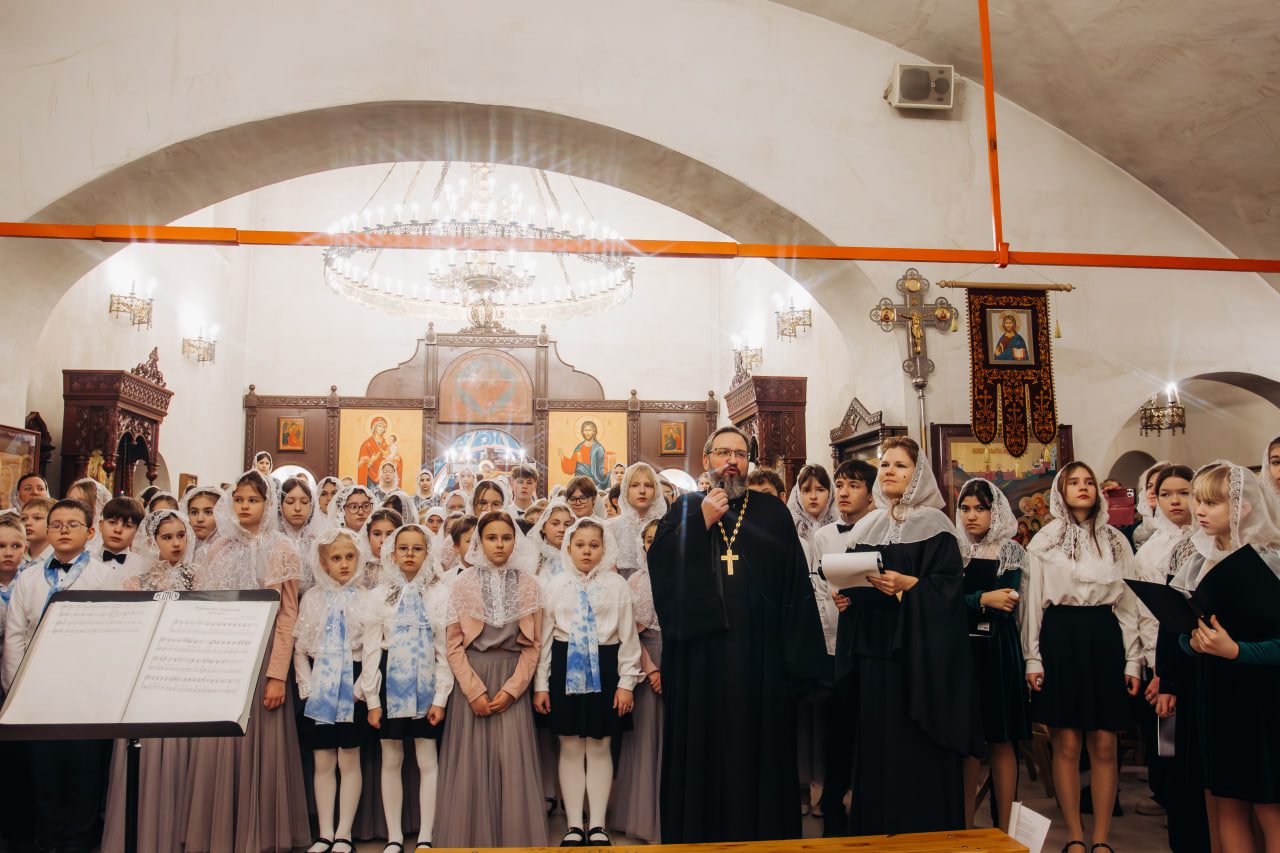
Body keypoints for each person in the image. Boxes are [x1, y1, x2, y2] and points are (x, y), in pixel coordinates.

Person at [648, 426, 828, 843]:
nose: (732, 460)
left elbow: (794, 584)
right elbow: (662, 570)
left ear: (749, 462)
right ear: (706, 459)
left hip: (761, 657)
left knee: (760, 748)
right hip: (702, 659)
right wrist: (701, 521)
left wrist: (797, 659)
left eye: (740, 454)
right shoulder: (685, 508)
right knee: (705, 748)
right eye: (723, 452)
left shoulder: (771, 512)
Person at [832, 437, 982, 836]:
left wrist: (908, 586)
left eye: (900, 465)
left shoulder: (937, 527)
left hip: (919, 658)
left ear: (918, 475)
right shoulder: (867, 526)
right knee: (878, 747)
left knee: (915, 751)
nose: (890, 472)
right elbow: (855, 580)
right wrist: (845, 599)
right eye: (885, 465)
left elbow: (949, 593)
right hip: (874, 653)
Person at [183, 470, 310, 852]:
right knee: (222, 740)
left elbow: (288, 615)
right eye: (238, 499)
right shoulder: (218, 548)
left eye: (253, 500)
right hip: (226, 651)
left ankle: (263, 832)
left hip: (266, 650)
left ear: (267, 505)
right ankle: (222, 830)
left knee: (263, 741)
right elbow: (205, 606)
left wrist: (277, 674)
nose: (244, 506)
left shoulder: (283, 549)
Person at [1022, 462, 1143, 853]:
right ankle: (1074, 834)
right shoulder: (1044, 541)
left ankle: (1102, 838)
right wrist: (1032, 658)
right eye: (1073, 482)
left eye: (1089, 482)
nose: (1083, 487)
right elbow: (1032, 605)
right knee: (1067, 744)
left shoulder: (1116, 541)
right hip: (1060, 636)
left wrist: (1133, 660)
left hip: (1104, 636)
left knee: (1105, 743)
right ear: (1061, 491)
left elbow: (1129, 605)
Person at [1172, 463, 1280, 853]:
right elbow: (1184, 631)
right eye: (1197, 501)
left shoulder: (1271, 561)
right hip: (1216, 691)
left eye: (1211, 503)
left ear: (1242, 507)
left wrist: (1236, 650)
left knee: (1270, 808)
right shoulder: (1197, 561)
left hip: (1264, 696)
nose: (1199, 510)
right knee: (1227, 803)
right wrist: (1192, 642)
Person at [433, 511, 548, 848]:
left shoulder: (529, 584)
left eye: (506, 538)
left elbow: (533, 646)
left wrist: (513, 690)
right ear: (479, 543)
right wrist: (472, 690)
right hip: (473, 679)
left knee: (512, 761)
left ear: (515, 542)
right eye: (491, 538)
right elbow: (453, 644)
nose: (499, 544)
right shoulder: (462, 584)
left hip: (512, 679)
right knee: (472, 763)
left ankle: (513, 839)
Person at [2, 498, 107, 853]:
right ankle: (48, 843)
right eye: (57, 525)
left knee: (84, 774)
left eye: (72, 525)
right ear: (47, 532)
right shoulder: (29, 578)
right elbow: (16, 636)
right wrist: (18, 689)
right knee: (44, 775)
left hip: (86, 691)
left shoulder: (102, 576)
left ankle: (80, 843)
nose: (63, 530)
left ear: (89, 532)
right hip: (39, 692)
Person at [534, 517, 641, 847]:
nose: (586, 551)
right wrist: (541, 684)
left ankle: (597, 824)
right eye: (580, 545)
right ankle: (572, 824)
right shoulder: (554, 586)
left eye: (594, 545)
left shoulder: (618, 586)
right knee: (569, 746)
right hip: (565, 664)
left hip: (606, 667)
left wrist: (626, 683)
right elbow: (545, 639)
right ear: (568, 548)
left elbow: (628, 639)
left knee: (599, 746)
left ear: (604, 549)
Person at [101, 510, 198, 853]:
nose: (176, 543)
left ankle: (179, 836)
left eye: (181, 536)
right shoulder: (135, 583)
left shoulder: (198, 580)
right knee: (144, 755)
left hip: (185, 677)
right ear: (152, 541)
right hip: (146, 679)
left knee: (183, 758)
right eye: (167, 537)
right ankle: (141, 836)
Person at [360, 523, 453, 853]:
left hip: (425, 679)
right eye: (403, 548)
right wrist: (372, 699)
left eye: (417, 548)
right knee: (391, 758)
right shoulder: (379, 596)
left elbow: (443, 650)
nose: (410, 554)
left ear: (427, 553)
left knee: (427, 758)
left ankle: (426, 835)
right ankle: (394, 836)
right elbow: (371, 650)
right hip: (391, 682)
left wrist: (440, 697)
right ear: (392, 553)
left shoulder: (438, 594)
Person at [954, 479, 1032, 832]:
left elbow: (1007, 601)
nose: (971, 516)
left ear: (994, 511)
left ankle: (1006, 829)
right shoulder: (954, 550)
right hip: (962, 649)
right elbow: (945, 600)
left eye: (980, 509)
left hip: (999, 648)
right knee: (968, 742)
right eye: (965, 508)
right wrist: (982, 599)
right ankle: (964, 826)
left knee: (1001, 740)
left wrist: (970, 602)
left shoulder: (1010, 551)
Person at [1141, 465, 1211, 853]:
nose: (1176, 501)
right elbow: (1153, 616)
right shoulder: (1151, 548)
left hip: (1207, 658)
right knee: (1172, 754)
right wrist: (1159, 671)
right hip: (1169, 659)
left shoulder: (1205, 544)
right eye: (1166, 494)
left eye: (1185, 493)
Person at [810, 458, 878, 834]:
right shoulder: (824, 536)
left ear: (870, 493)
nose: (844, 492)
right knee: (837, 728)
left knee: (871, 727)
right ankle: (833, 803)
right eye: (840, 485)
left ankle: (868, 802)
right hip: (835, 645)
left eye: (853, 485)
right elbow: (819, 586)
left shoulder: (882, 528)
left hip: (872, 643)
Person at [295, 527, 369, 853]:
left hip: (351, 685)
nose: (343, 564)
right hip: (320, 685)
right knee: (323, 761)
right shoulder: (311, 599)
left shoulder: (366, 598)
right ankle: (325, 833)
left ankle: (344, 833)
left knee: (349, 760)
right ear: (323, 563)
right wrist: (307, 688)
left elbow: (372, 649)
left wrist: (361, 688)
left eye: (349, 557)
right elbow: (300, 649)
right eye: (336, 558)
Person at [784, 463, 838, 817]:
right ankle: (802, 787)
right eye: (807, 490)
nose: (813, 496)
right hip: (802, 625)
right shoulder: (789, 530)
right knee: (802, 715)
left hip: (834, 627)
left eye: (820, 489)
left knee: (828, 715)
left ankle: (827, 786)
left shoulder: (840, 528)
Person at [610, 518, 665, 843]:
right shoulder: (634, 582)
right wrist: (652, 670)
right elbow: (629, 633)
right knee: (644, 738)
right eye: (648, 540)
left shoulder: (686, 576)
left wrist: (669, 669)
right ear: (642, 545)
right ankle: (642, 817)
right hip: (645, 666)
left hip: (678, 662)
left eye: (660, 538)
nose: (654, 545)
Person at [606, 462, 668, 580]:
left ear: (656, 490)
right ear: (626, 489)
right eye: (635, 485)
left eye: (648, 485)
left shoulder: (666, 526)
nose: (642, 491)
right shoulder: (611, 527)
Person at [93, 495, 145, 588]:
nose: (118, 530)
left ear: (137, 532)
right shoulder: (85, 563)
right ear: (101, 525)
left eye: (127, 525)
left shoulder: (143, 567)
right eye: (112, 522)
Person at [281, 475, 321, 594]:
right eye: (290, 502)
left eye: (304, 502)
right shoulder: (272, 541)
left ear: (311, 505)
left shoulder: (318, 540)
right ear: (280, 505)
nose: (297, 508)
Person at [529, 498, 574, 582]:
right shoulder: (532, 557)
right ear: (543, 527)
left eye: (567, 525)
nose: (562, 529)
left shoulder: (576, 558)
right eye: (555, 524)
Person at [559, 420, 609, 490]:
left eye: (590, 430)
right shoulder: (579, 447)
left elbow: (602, 468)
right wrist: (562, 457)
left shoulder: (598, 448)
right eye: (585, 430)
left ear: (594, 432)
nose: (587, 433)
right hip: (579, 482)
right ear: (582, 432)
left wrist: (608, 471)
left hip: (593, 483)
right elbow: (571, 467)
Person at [179, 485, 222, 560]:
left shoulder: (228, 551)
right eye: (194, 512)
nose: (200, 519)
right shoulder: (180, 548)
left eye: (208, 512)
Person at [19, 496, 53, 570]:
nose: (27, 523)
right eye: (23, 519)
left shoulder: (61, 559)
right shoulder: (16, 557)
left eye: (37, 518)